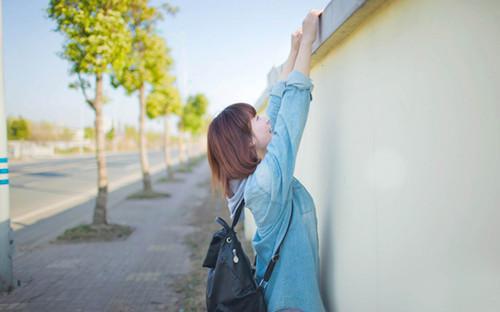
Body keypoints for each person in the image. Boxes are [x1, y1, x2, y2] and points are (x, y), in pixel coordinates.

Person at [207, 9, 326, 312]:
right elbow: (289, 117)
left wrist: (294, 51)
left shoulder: (255, 173)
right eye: (255, 119)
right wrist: (310, 39)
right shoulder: (265, 183)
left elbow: (275, 107)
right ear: (247, 143)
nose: (264, 118)